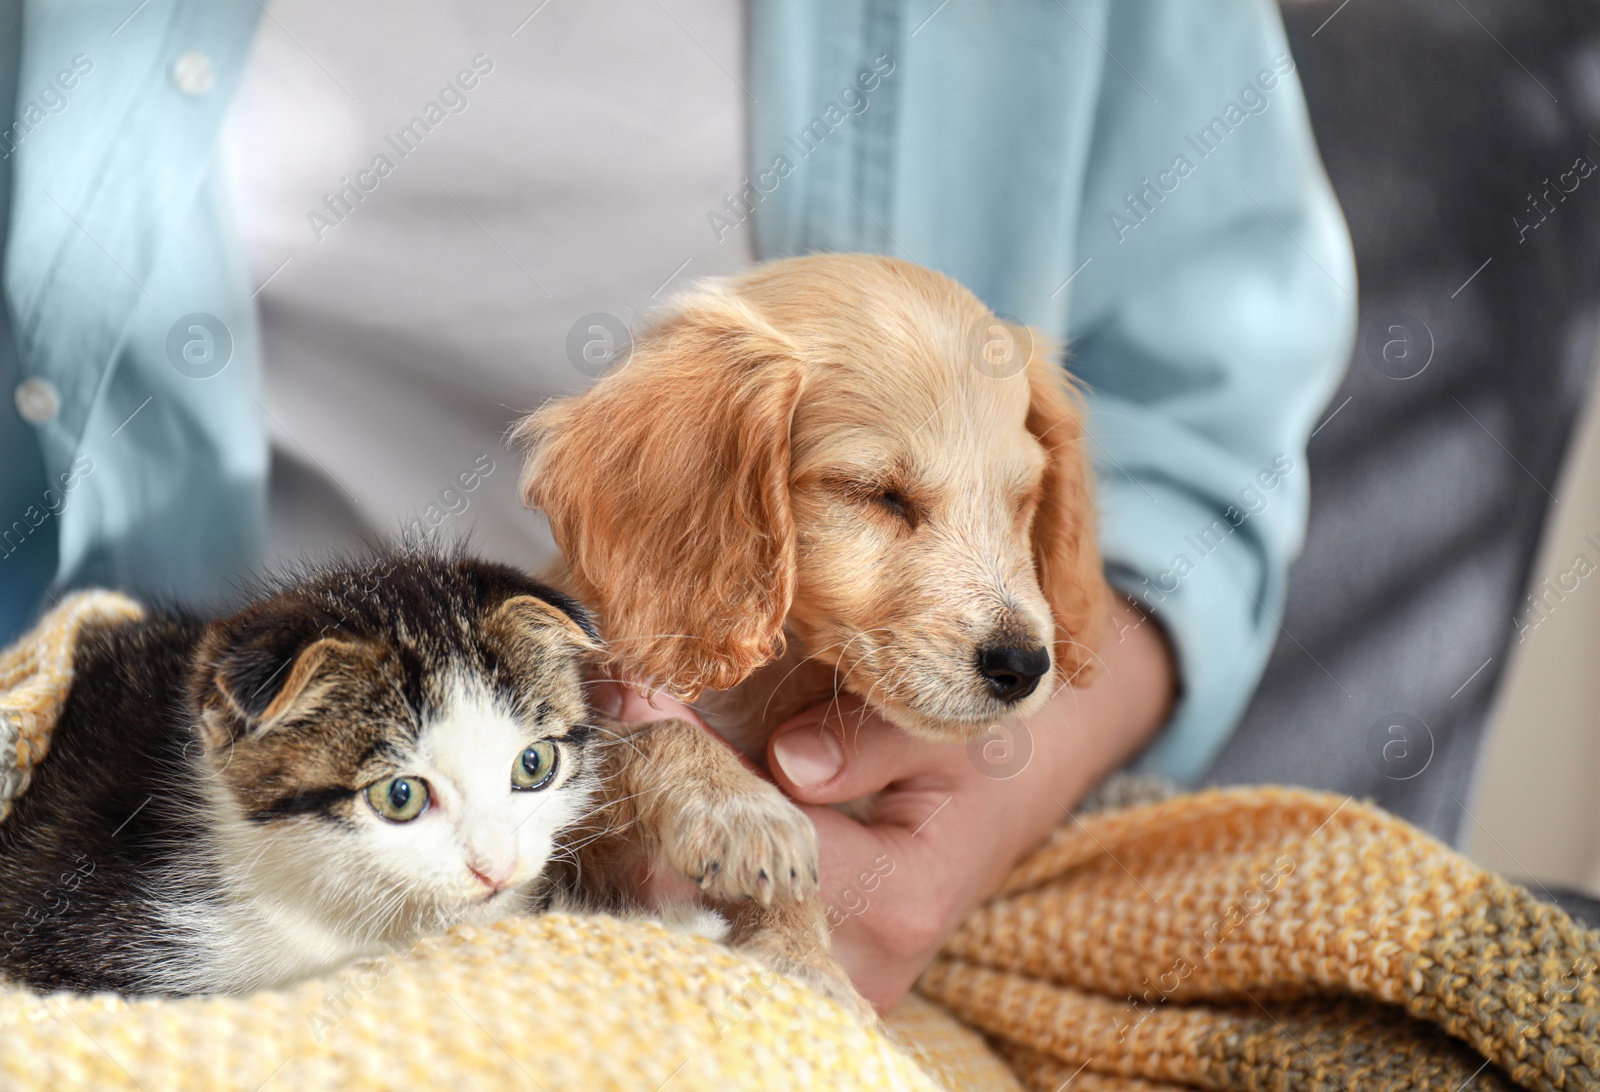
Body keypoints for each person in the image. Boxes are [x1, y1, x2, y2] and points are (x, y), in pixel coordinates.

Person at [0, 1, 1353, 1010]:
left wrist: (1002, 785)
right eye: (882, 497)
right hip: (170, 785)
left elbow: (1207, 426)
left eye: (1008, 502)